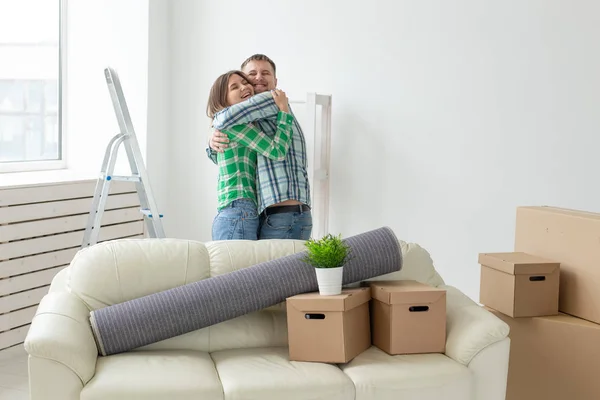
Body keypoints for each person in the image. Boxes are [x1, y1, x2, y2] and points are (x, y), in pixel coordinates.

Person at [206, 54, 312, 240]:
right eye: (251, 74)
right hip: (267, 212)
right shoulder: (251, 118)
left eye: (265, 73)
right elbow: (222, 154)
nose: (257, 78)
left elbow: (225, 118)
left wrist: (216, 123)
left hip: (282, 213)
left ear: (275, 80)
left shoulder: (270, 100)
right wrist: (212, 139)